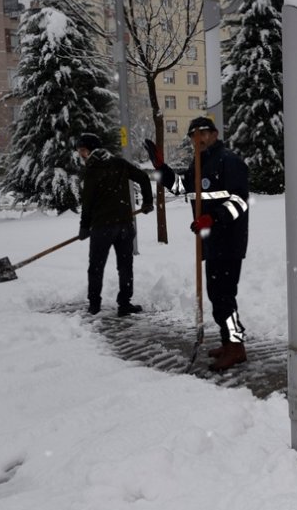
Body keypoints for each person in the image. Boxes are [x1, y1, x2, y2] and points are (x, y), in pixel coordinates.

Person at [147, 116, 250, 371]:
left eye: (203, 133)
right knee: (218, 296)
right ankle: (231, 342)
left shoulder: (229, 161)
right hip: (211, 242)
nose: (199, 138)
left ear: (214, 134)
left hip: (228, 240)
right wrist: (162, 169)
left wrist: (212, 218)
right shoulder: (199, 164)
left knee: (224, 296)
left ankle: (235, 347)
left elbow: (240, 201)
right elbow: (182, 187)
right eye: (194, 135)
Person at [77, 132, 153, 316]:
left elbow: (87, 201)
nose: (81, 155)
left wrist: (84, 226)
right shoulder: (119, 163)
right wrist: (147, 202)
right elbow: (143, 177)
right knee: (125, 265)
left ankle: (94, 305)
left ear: (90, 150)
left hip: (102, 227)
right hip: (125, 225)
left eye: (83, 150)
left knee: (96, 266)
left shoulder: (92, 168)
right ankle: (124, 304)